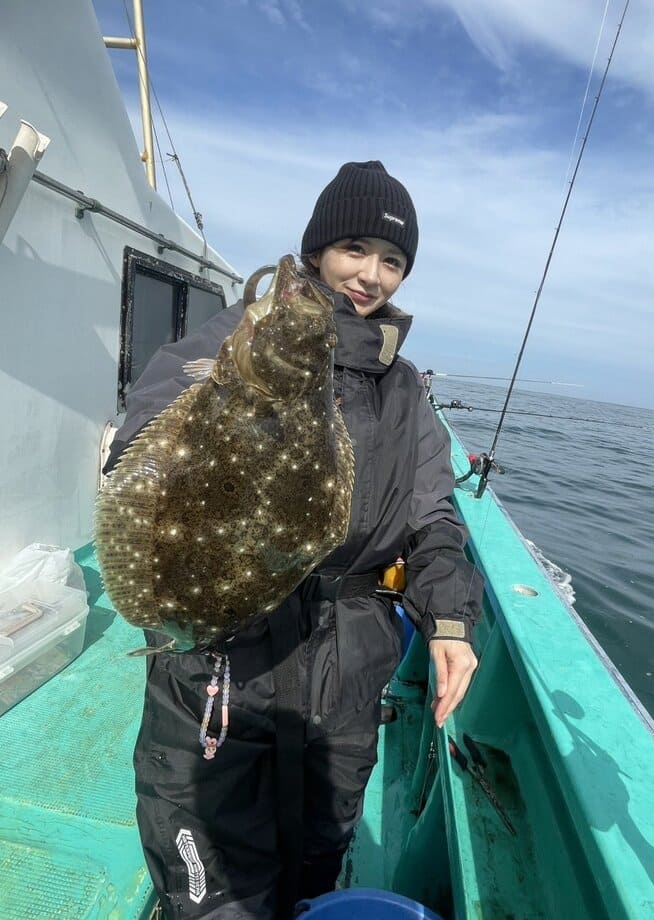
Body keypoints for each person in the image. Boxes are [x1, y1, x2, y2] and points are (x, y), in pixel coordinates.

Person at [105, 160, 483, 919]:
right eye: (354, 249)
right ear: (318, 250)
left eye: (392, 261)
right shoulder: (229, 340)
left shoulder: (404, 391)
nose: (370, 275)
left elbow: (432, 516)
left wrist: (449, 621)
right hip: (227, 655)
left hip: (348, 664)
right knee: (211, 873)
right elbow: (138, 445)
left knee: (319, 852)